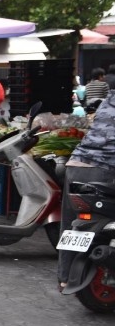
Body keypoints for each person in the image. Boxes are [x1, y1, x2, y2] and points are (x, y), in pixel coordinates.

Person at [58, 90, 115, 289]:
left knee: (68, 220)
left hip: (76, 165)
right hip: (106, 169)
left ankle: (64, 277)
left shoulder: (110, 98)